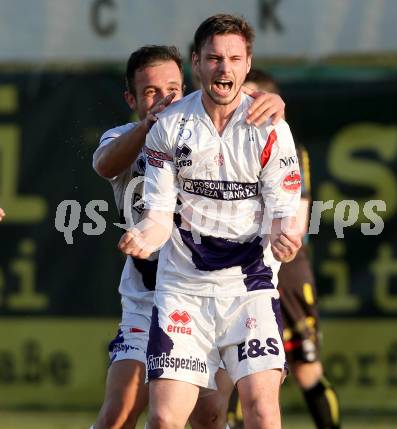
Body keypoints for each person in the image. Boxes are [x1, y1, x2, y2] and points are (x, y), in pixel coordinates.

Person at [119, 14, 302, 429]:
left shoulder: (271, 126)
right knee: (165, 418)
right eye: (215, 58)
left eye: (234, 58)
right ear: (196, 63)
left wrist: (282, 236)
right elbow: (160, 215)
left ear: (248, 64)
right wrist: (144, 235)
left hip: (249, 287)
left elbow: (283, 212)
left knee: (261, 410)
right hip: (183, 289)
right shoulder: (168, 125)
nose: (225, 68)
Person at [227, 69, 341, 429]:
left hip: (284, 269)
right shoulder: (215, 143)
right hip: (230, 270)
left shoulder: (287, 147)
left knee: (307, 369)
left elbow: (296, 223)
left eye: (253, 99)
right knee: (230, 377)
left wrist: (281, 239)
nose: (243, 107)